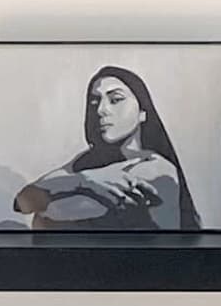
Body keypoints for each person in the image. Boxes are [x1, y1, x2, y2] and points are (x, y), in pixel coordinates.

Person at [14, 65, 200, 229]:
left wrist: (63, 187)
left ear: (143, 112)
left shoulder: (158, 169)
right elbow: (23, 200)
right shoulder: (85, 163)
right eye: (94, 102)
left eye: (115, 100)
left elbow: (51, 213)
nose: (101, 110)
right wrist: (87, 181)